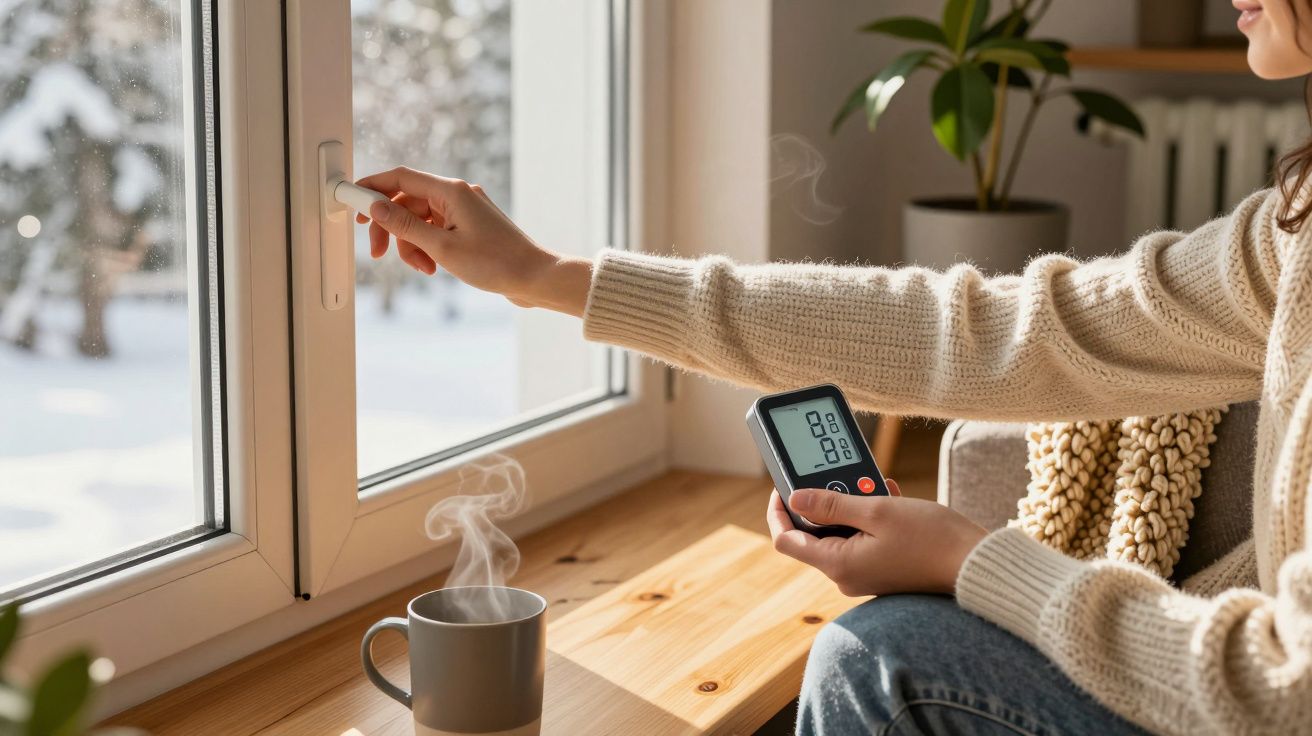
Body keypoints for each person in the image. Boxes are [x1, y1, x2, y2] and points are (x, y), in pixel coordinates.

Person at [354, 1, 1312, 732]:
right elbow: (990, 332)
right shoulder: (1293, 233)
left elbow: (1284, 689)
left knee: (876, 660)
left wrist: (963, 559)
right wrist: (548, 278)